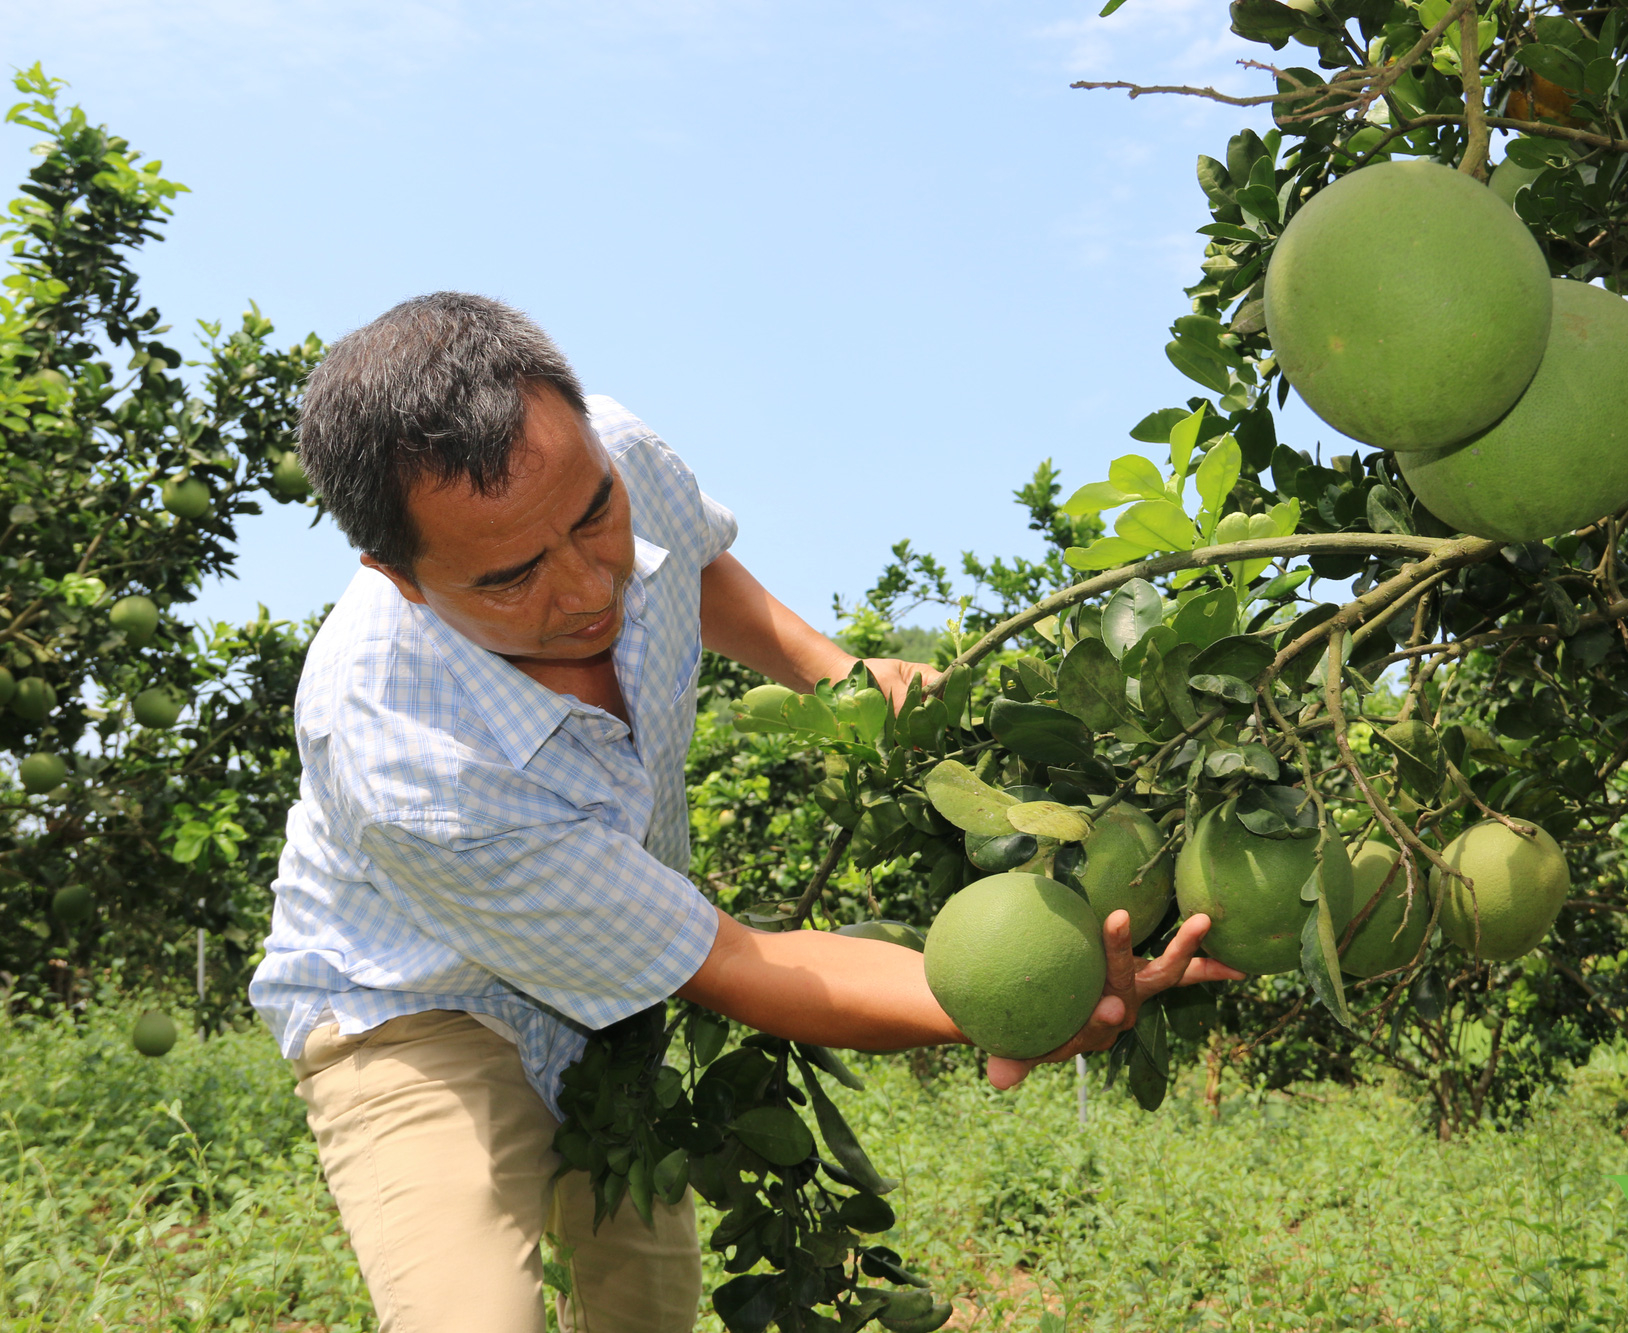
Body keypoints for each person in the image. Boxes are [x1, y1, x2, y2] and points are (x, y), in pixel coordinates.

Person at [249, 292, 1237, 1333]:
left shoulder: (622, 456)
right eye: (512, 576)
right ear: (396, 576)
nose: (590, 587)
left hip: (614, 1005)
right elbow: (742, 965)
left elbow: (691, 566)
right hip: (411, 1006)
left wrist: (832, 673)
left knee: (646, 1310)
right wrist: (1013, 1000)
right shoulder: (406, 760)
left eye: (592, 515)